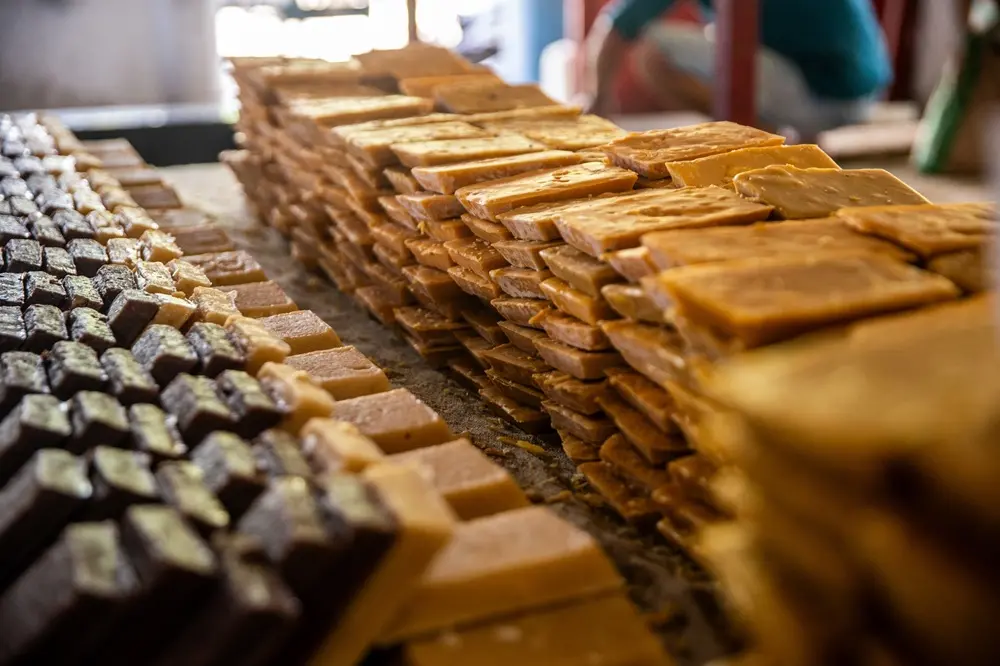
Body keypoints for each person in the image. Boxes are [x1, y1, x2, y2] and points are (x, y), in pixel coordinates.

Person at [585, 0, 893, 139]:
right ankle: (805, 141)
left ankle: (755, 137)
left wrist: (599, 100)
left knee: (651, 49)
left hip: (822, 95)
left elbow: (617, 28)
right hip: (868, 93)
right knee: (731, 32)